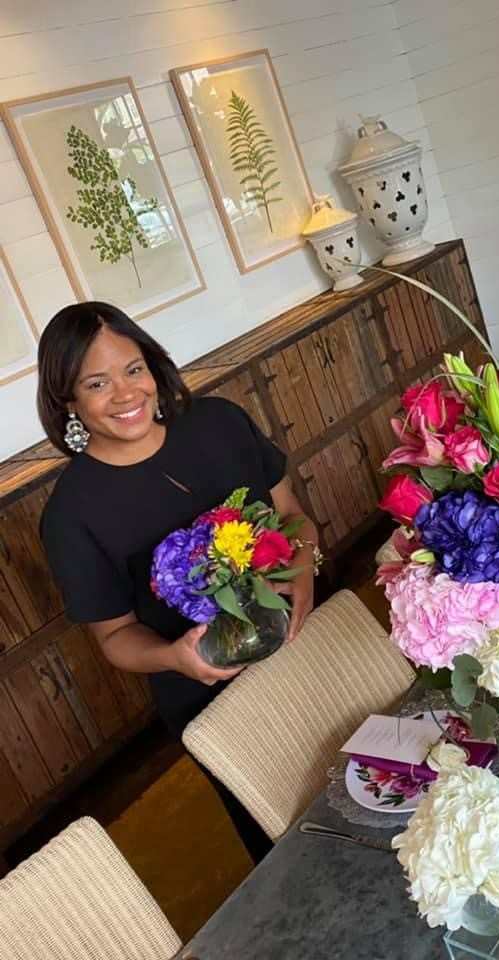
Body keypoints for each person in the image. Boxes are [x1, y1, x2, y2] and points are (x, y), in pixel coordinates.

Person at [38, 301, 320, 864]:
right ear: (68, 400)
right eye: (97, 383)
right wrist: (174, 656)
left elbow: (291, 512)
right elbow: (116, 638)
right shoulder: (72, 515)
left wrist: (305, 569)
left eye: (133, 370)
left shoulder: (218, 421)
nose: (125, 394)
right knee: (289, 842)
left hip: (306, 644)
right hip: (212, 697)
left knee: (380, 775)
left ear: (153, 367)